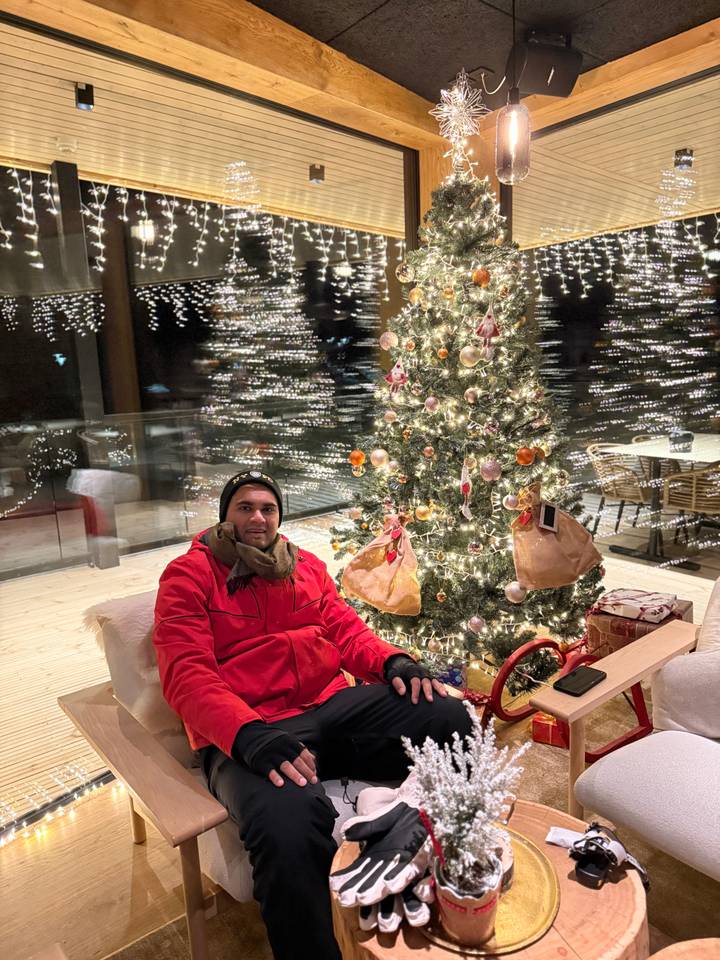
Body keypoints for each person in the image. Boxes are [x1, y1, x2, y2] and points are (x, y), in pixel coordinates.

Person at [153, 469, 472, 960]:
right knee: (286, 822)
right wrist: (247, 734)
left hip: (329, 708)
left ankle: (454, 860)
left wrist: (393, 662)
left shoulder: (305, 566)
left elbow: (347, 633)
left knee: (447, 716)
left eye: (268, 508)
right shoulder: (189, 575)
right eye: (245, 507)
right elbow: (186, 674)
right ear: (225, 516)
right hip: (253, 730)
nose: (258, 517)